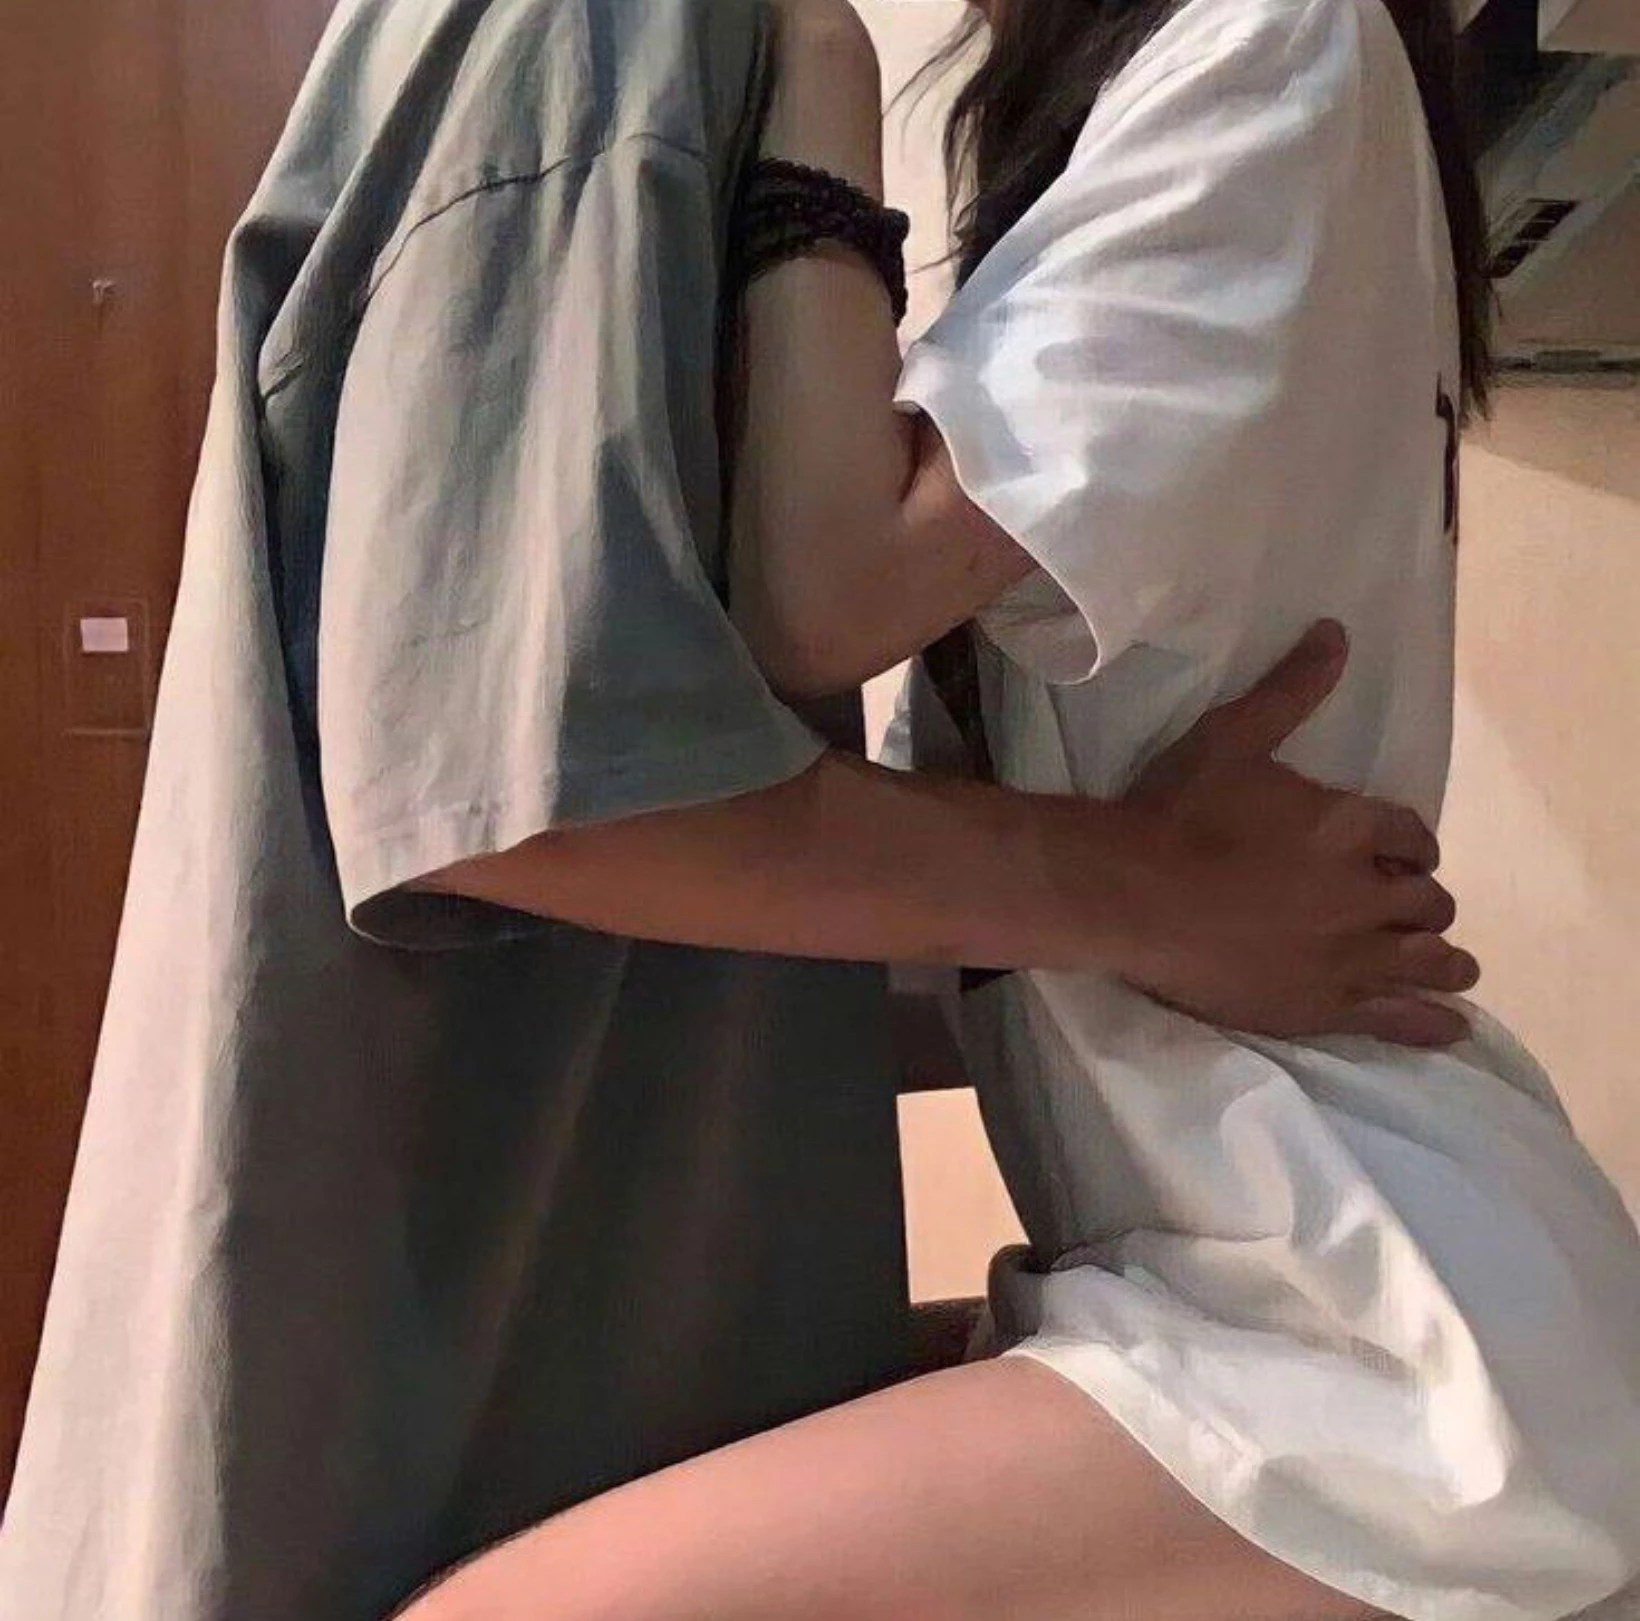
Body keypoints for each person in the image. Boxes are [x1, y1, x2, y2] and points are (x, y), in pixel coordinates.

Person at [0, 2, 1476, 1620]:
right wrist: (1146, 896)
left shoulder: (1275, 33)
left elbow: (781, 627)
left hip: (1353, 1305)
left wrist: (820, 91)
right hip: (1251, 1275)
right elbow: (658, 791)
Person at [391, 1, 1640, 1620]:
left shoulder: (1283, 32)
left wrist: (816, 68)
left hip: (1377, 1333)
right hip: (1289, 1282)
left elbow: (828, 588)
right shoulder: (1204, 82)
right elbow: (974, 911)